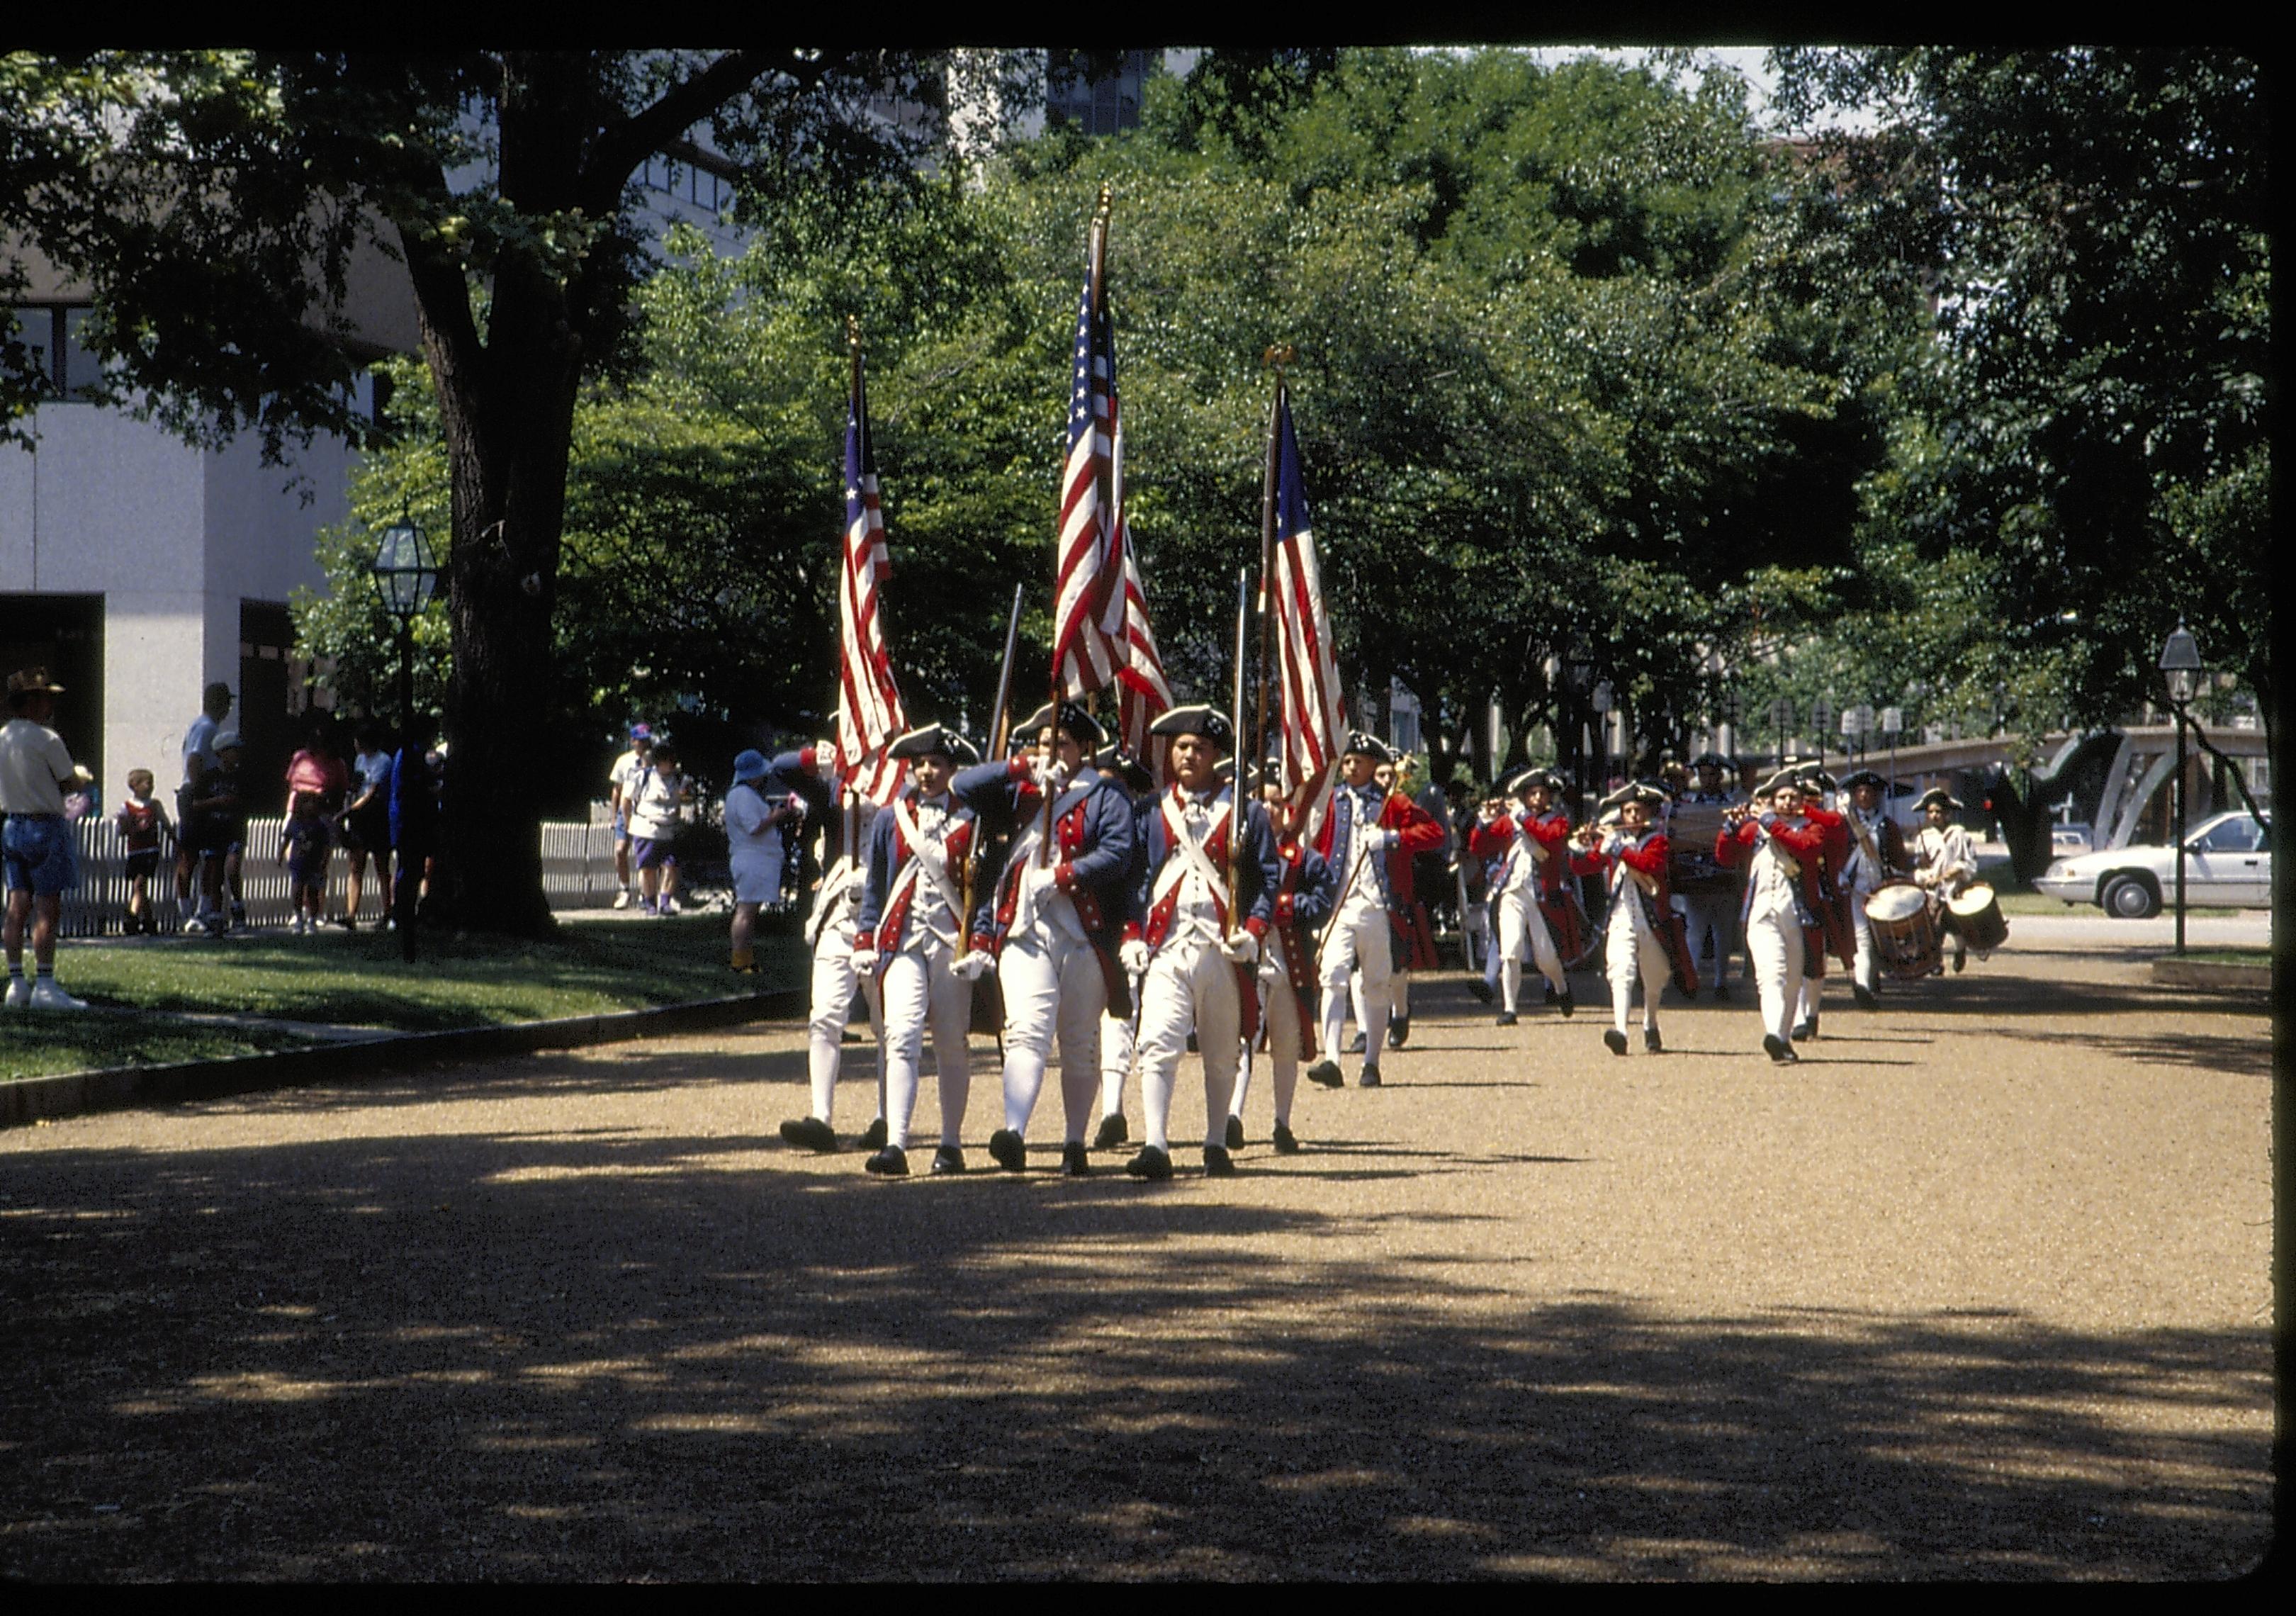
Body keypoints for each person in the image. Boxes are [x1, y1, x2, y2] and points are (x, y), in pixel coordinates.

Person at [951, 700, 1135, 1176]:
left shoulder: (1104, 795)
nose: (1052, 751)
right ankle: (1014, 1132)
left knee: (1078, 1040)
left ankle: (1075, 1141)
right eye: (1045, 743)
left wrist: (1065, 873)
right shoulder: (1020, 791)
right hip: (1025, 931)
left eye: (1063, 744)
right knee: (1026, 1032)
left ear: (1085, 750)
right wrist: (1019, 766)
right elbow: (961, 786)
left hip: (1082, 933)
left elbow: (1119, 852)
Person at [1115, 705, 1281, 1180]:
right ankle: (1156, 1144)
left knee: (1220, 1049)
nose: (1189, 756)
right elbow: (1135, 880)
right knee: (1157, 1043)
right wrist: (1131, 934)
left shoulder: (1246, 813)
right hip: (1167, 945)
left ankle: (1214, 1143)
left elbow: (1267, 879)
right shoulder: (1151, 810)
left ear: (1216, 756)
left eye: (1199, 749)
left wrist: (1254, 929)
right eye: (1182, 748)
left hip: (1221, 948)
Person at [850, 724, 984, 1177]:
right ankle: (896, 1143)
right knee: (901, 1035)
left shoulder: (973, 817)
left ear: (952, 769)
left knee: (951, 1042)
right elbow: (877, 885)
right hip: (902, 938)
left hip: (950, 941)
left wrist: (979, 940)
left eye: (936, 764)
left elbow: (980, 888)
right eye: (920, 764)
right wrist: (866, 937)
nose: (927, 772)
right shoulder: (892, 817)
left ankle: (950, 1143)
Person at [1303, 732, 1445, 1090]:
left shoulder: (1392, 804)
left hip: (1380, 907)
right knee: (1333, 977)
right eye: (1347, 762)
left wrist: (1393, 837)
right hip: (1341, 902)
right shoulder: (1332, 802)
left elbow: (1435, 833)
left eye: (1359, 762)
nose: (1351, 767)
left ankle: (1372, 1063)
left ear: (1373, 767)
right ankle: (1332, 1059)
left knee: (1377, 984)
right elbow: (1315, 844)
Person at [772, 729, 890, 1153]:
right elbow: (781, 768)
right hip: (838, 911)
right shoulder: (833, 786)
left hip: (885, 913)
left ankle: (887, 1118)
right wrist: (814, 757)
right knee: (824, 1016)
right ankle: (822, 1117)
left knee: (888, 1026)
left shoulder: (901, 785)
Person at [1227, 768, 1337, 1154]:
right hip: (1249, 958)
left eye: (1277, 803)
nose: (1270, 809)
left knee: (1286, 1045)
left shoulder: (1306, 860)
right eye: (1264, 801)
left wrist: (1282, 906)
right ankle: (1233, 1117)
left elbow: (1322, 905)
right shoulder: (1237, 852)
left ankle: (1282, 1123)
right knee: (1242, 1041)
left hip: (1289, 965)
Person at [1572, 782, 1696, 1055]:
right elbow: (1584, 867)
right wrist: (1580, 848)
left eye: (1638, 810)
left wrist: (1618, 849)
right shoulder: (1615, 842)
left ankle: (1650, 1022)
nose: (1633, 816)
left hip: (1652, 920)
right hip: (1621, 917)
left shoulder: (1657, 841)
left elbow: (1649, 865)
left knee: (1655, 976)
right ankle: (1620, 1030)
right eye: (1628, 811)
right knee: (1620, 971)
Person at [1716, 771, 1831, 1062]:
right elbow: (1726, 856)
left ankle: (1782, 1037)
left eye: (1793, 797)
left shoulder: (1811, 827)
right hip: (1760, 909)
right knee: (1771, 975)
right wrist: (1729, 829)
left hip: (1797, 912)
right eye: (1782, 797)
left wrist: (1770, 821)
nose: (1788, 802)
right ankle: (1772, 1034)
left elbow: (1805, 849)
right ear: (1772, 800)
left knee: (1793, 979)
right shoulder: (1757, 829)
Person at [2, 668, 91, 1009]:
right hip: (44, 825)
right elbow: (70, 783)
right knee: (47, 906)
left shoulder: (3, 737)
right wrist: (80, 777)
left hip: (12, 824)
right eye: (45, 698)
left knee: (16, 904)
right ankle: (46, 983)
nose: (50, 705)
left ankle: (16, 982)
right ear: (32, 701)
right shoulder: (47, 739)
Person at [1465, 768, 1577, 1028]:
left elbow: (1549, 839)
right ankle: (1510, 1008)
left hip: (1541, 895)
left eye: (1542, 794)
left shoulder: (1556, 820)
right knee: (1510, 950)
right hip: (1511, 892)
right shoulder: (1511, 820)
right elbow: (1479, 847)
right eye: (1532, 794)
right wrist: (1484, 822)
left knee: (1546, 957)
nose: (1537, 798)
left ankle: (1560, 986)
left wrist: (1523, 817)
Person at [1091, 744, 1160, 1152]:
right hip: (1086, 924)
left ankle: (1112, 1110)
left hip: (1133, 927)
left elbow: (1143, 877)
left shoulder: (1142, 823)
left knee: (1121, 1017)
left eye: (1115, 787)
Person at [1838, 768, 1911, 1006]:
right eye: (1859, 791)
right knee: (1862, 938)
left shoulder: (1886, 825)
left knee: (1881, 936)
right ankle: (1863, 985)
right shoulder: (1845, 824)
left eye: (1868, 791)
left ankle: (1873, 974)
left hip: (1882, 886)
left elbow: (1897, 856)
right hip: (1855, 886)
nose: (1863, 796)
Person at [724, 748, 799, 975]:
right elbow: (754, 826)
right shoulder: (742, 795)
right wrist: (776, 816)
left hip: (755, 859)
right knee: (746, 910)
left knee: (751, 910)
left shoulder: (742, 795)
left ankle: (746, 958)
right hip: (751, 860)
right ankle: (739, 961)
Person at [174, 680, 232, 931]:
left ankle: (203, 910)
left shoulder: (205, 726)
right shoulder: (206, 727)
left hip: (202, 792)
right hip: (196, 793)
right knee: (191, 854)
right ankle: (188, 913)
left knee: (210, 854)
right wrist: (199, 793)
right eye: (226, 703)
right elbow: (195, 760)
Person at [185, 731, 249, 936]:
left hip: (234, 830)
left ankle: (238, 907)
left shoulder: (242, 778)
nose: (237, 755)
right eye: (233, 751)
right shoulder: (208, 777)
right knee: (214, 873)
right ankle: (215, 915)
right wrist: (217, 802)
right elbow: (195, 804)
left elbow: (249, 802)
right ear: (222, 753)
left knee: (232, 868)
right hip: (214, 831)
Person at [1912, 787, 1981, 972]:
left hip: (1954, 888)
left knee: (1954, 924)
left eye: (1939, 812)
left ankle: (1960, 950)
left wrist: (1955, 873)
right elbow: (1919, 867)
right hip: (1933, 891)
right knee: (1933, 927)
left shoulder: (1959, 834)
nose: (1935, 816)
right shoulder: (1923, 837)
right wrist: (1924, 876)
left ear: (1947, 813)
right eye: (1931, 812)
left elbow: (1968, 863)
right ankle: (1936, 962)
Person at [389, 714, 440, 962]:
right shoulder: (411, 754)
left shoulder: (409, 753)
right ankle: (401, 914)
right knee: (409, 870)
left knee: (411, 869)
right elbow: (414, 786)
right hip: (409, 822)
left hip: (408, 821)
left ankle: (403, 913)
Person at [339, 722, 395, 930]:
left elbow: (373, 790)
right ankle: (351, 914)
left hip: (376, 815)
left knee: (381, 866)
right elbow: (357, 784)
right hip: (359, 817)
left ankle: (387, 912)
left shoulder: (383, 761)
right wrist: (349, 805)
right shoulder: (360, 760)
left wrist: (351, 810)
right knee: (356, 865)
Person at [624, 739, 690, 915]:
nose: (671, 765)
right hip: (647, 828)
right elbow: (627, 799)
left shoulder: (678, 779)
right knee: (648, 868)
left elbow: (685, 800)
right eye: (668, 761)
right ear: (659, 761)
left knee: (671, 866)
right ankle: (650, 902)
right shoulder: (643, 777)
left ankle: (665, 902)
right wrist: (628, 821)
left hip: (669, 830)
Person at [113, 768, 174, 936]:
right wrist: (124, 823)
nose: (151, 787)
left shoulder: (154, 805)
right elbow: (121, 831)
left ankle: (132, 917)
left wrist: (174, 839)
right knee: (140, 888)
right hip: (135, 851)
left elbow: (165, 823)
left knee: (139, 884)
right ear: (135, 786)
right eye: (147, 783)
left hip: (150, 850)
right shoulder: (127, 807)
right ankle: (149, 920)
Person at [607, 724, 653, 910]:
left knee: (645, 853)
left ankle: (646, 892)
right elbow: (617, 791)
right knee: (620, 850)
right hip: (626, 809)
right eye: (640, 740)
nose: (643, 744)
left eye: (646, 740)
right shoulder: (624, 761)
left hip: (646, 809)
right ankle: (625, 890)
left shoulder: (654, 760)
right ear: (633, 741)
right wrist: (614, 815)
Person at [279, 789, 333, 935]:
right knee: (297, 890)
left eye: (314, 803)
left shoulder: (320, 826)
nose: (311, 806)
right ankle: (298, 918)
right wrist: (280, 855)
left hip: (314, 864)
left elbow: (327, 846)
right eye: (307, 803)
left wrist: (324, 862)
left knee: (312, 893)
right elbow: (287, 839)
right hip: (298, 862)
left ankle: (312, 920)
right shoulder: (295, 823)